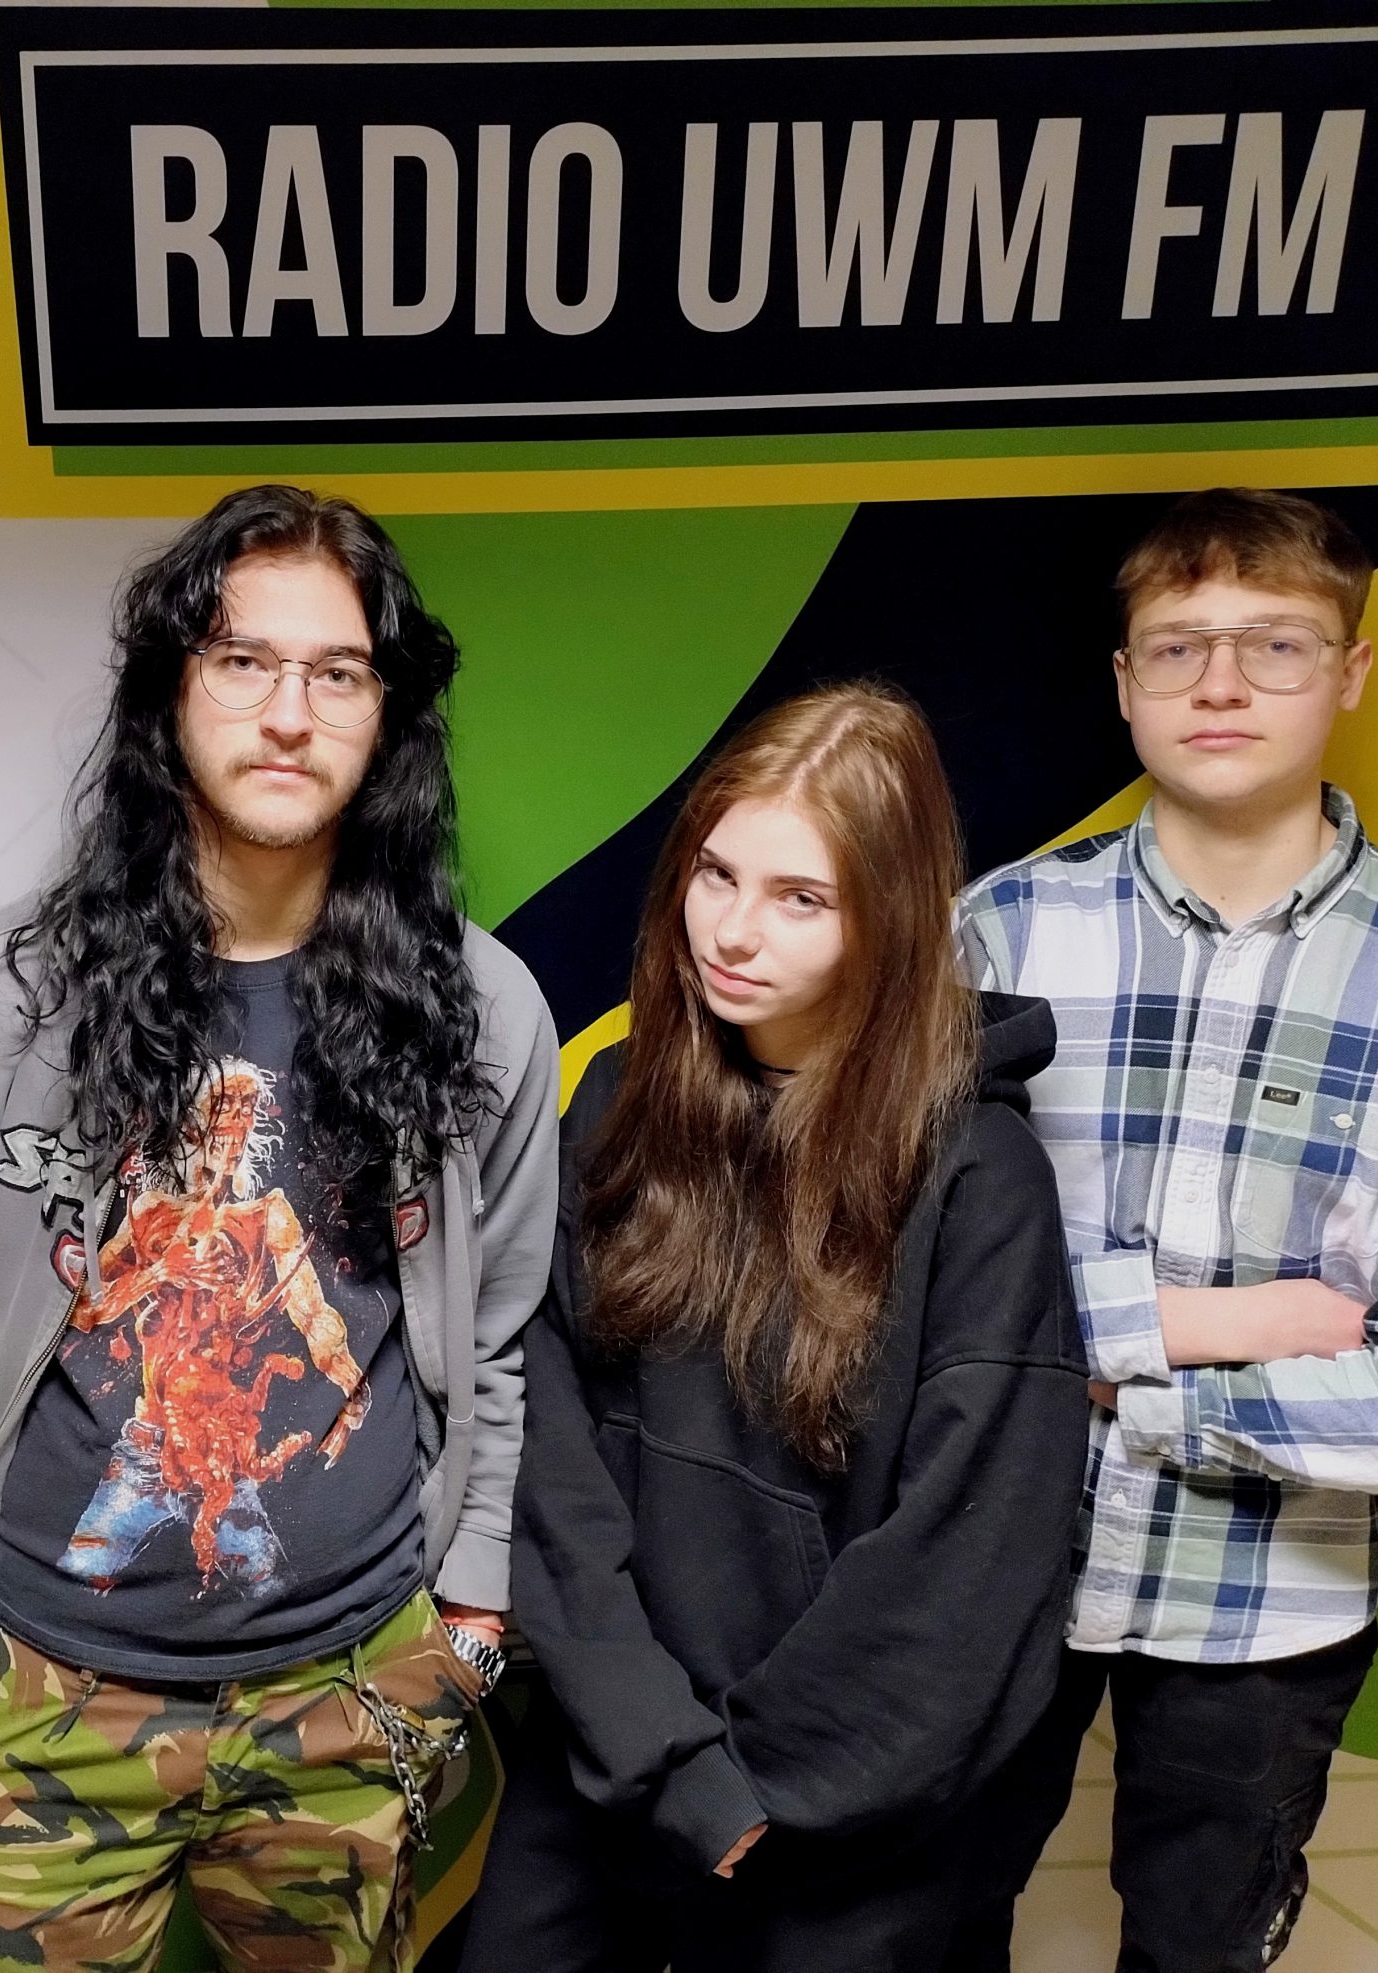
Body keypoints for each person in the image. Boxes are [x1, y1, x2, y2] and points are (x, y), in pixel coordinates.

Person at [0, 483, 559, 1971]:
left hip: (352, 1690)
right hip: (39, 1692)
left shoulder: (486, 1012)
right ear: (169, 691)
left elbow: (498, 1348)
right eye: (242, 661)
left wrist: (467, 1623)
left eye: (338, 672)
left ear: (388, 713)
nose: (289, 714)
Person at [954, 488, 1378, 1970]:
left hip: (1272, 1606)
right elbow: (901, 1285)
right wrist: (1216, 1323)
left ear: (1352, 672)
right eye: (1179, 646)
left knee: (1201, 1949)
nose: (1220, 684)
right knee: (922, 1929)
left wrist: (1101, 1371)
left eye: (1275, 644)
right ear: (1125, 682)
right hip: (987, 1565)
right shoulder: (994, 934)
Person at [459, 682, 1092, 1972]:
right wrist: (647, 1741)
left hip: (829, 1822)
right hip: (614, 1752)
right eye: (716, 875)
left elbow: (967, 1573)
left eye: (802, 898)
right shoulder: (622, 1099)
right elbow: (548, 1438)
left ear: (890, 917)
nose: (735, 931)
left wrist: (749, 1798)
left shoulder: (981, 1179)